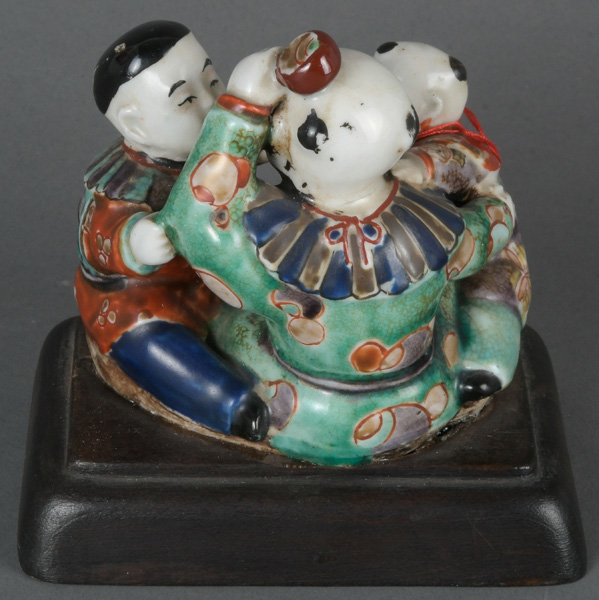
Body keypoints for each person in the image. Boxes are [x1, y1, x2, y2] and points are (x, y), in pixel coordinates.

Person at [75, 20, 269, 442]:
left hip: (219, 285)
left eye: (213, 81)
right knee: (156, 349)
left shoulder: (220, 147)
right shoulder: (120, 185)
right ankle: (231, 405)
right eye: (186, 100)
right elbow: (97, 238)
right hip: (143, 302)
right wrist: (136, 242)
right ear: (136, 125)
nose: (211, 103)